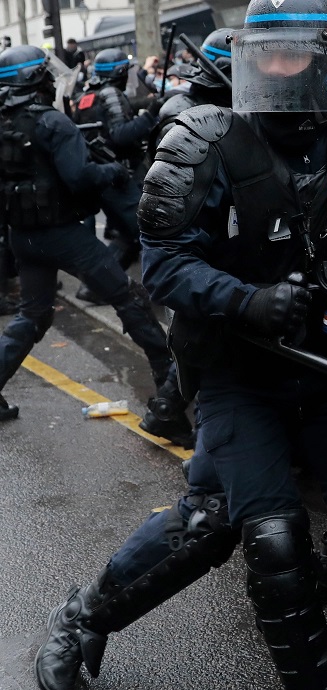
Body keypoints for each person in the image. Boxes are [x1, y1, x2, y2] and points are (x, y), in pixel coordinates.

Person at [33, 3, 327, 690]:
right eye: (269, 53)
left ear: (326, 56)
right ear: (247, 58)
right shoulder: (203, 138)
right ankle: (88, 615)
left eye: (300, 53)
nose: (284, 67)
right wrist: (247, 300)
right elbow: (167, 265)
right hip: (242, 370)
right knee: (265, 534)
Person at [0, 45, 187, 445]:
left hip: (23, 236)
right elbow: (79, 177)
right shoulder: (52, 122)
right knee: (129, 300)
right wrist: (113, 171)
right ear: (36, 81)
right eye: (46, 74)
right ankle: (168, 398)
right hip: (64, 236)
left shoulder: (5, 122)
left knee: (32, 315)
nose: (53, 80)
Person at [74, 48, 161, 280]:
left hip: (105, 176)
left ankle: (94, 286)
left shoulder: (88, 95)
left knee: (127, 238)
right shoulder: (111, 93)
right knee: (149, 232)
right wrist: (151, 114)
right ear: (120, 72)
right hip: (119, 177)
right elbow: (121, 134)